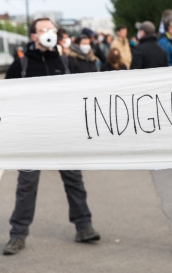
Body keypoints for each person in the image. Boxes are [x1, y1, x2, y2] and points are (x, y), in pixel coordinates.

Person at [3, 18, 100, 256]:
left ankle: (84, 227)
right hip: (31, 136)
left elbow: (85, 91)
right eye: (43, 30)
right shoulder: (21, 65)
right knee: (26, 187)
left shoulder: (66, 62)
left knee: (74, 181)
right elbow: (7, 100)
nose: (49, 33)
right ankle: (17, 235)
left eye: (51, 29)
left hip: (63, 134)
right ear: (33, 37)